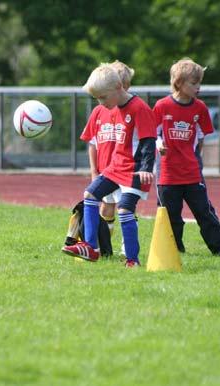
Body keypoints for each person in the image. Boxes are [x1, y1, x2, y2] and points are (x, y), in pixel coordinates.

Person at [62, 63, 157, 267]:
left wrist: (146, 169)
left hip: (135, 169)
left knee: (124, 210)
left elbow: (149, 140)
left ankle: (132, 260)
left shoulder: (140, 108)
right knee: (90, 195)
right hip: (115, 167)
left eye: (103, 97)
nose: (100, 102)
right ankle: (91, 248)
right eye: (97, 98)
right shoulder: (112, 108)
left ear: (118, 88)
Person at [154, 58, 220, 256]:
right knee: (171, 216)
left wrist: (194, 158)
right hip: (167, 174)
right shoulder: (162, 106)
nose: (198, 87)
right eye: (193, 83)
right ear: (179, 82)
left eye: (199, 83)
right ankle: (175, 250)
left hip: (192, 173)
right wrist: (160, 145)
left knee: (205, 213)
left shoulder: (200, 108)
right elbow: (153, 134)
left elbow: (201, 137)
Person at [80, 60, 135, 255]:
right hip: (105, 171)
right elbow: (92, 142)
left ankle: (126, 249)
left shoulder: (131, 110)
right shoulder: (98, 112)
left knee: (126, 208)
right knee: (106, 209)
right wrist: (94, 170)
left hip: (125, 170)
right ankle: (104, 245)